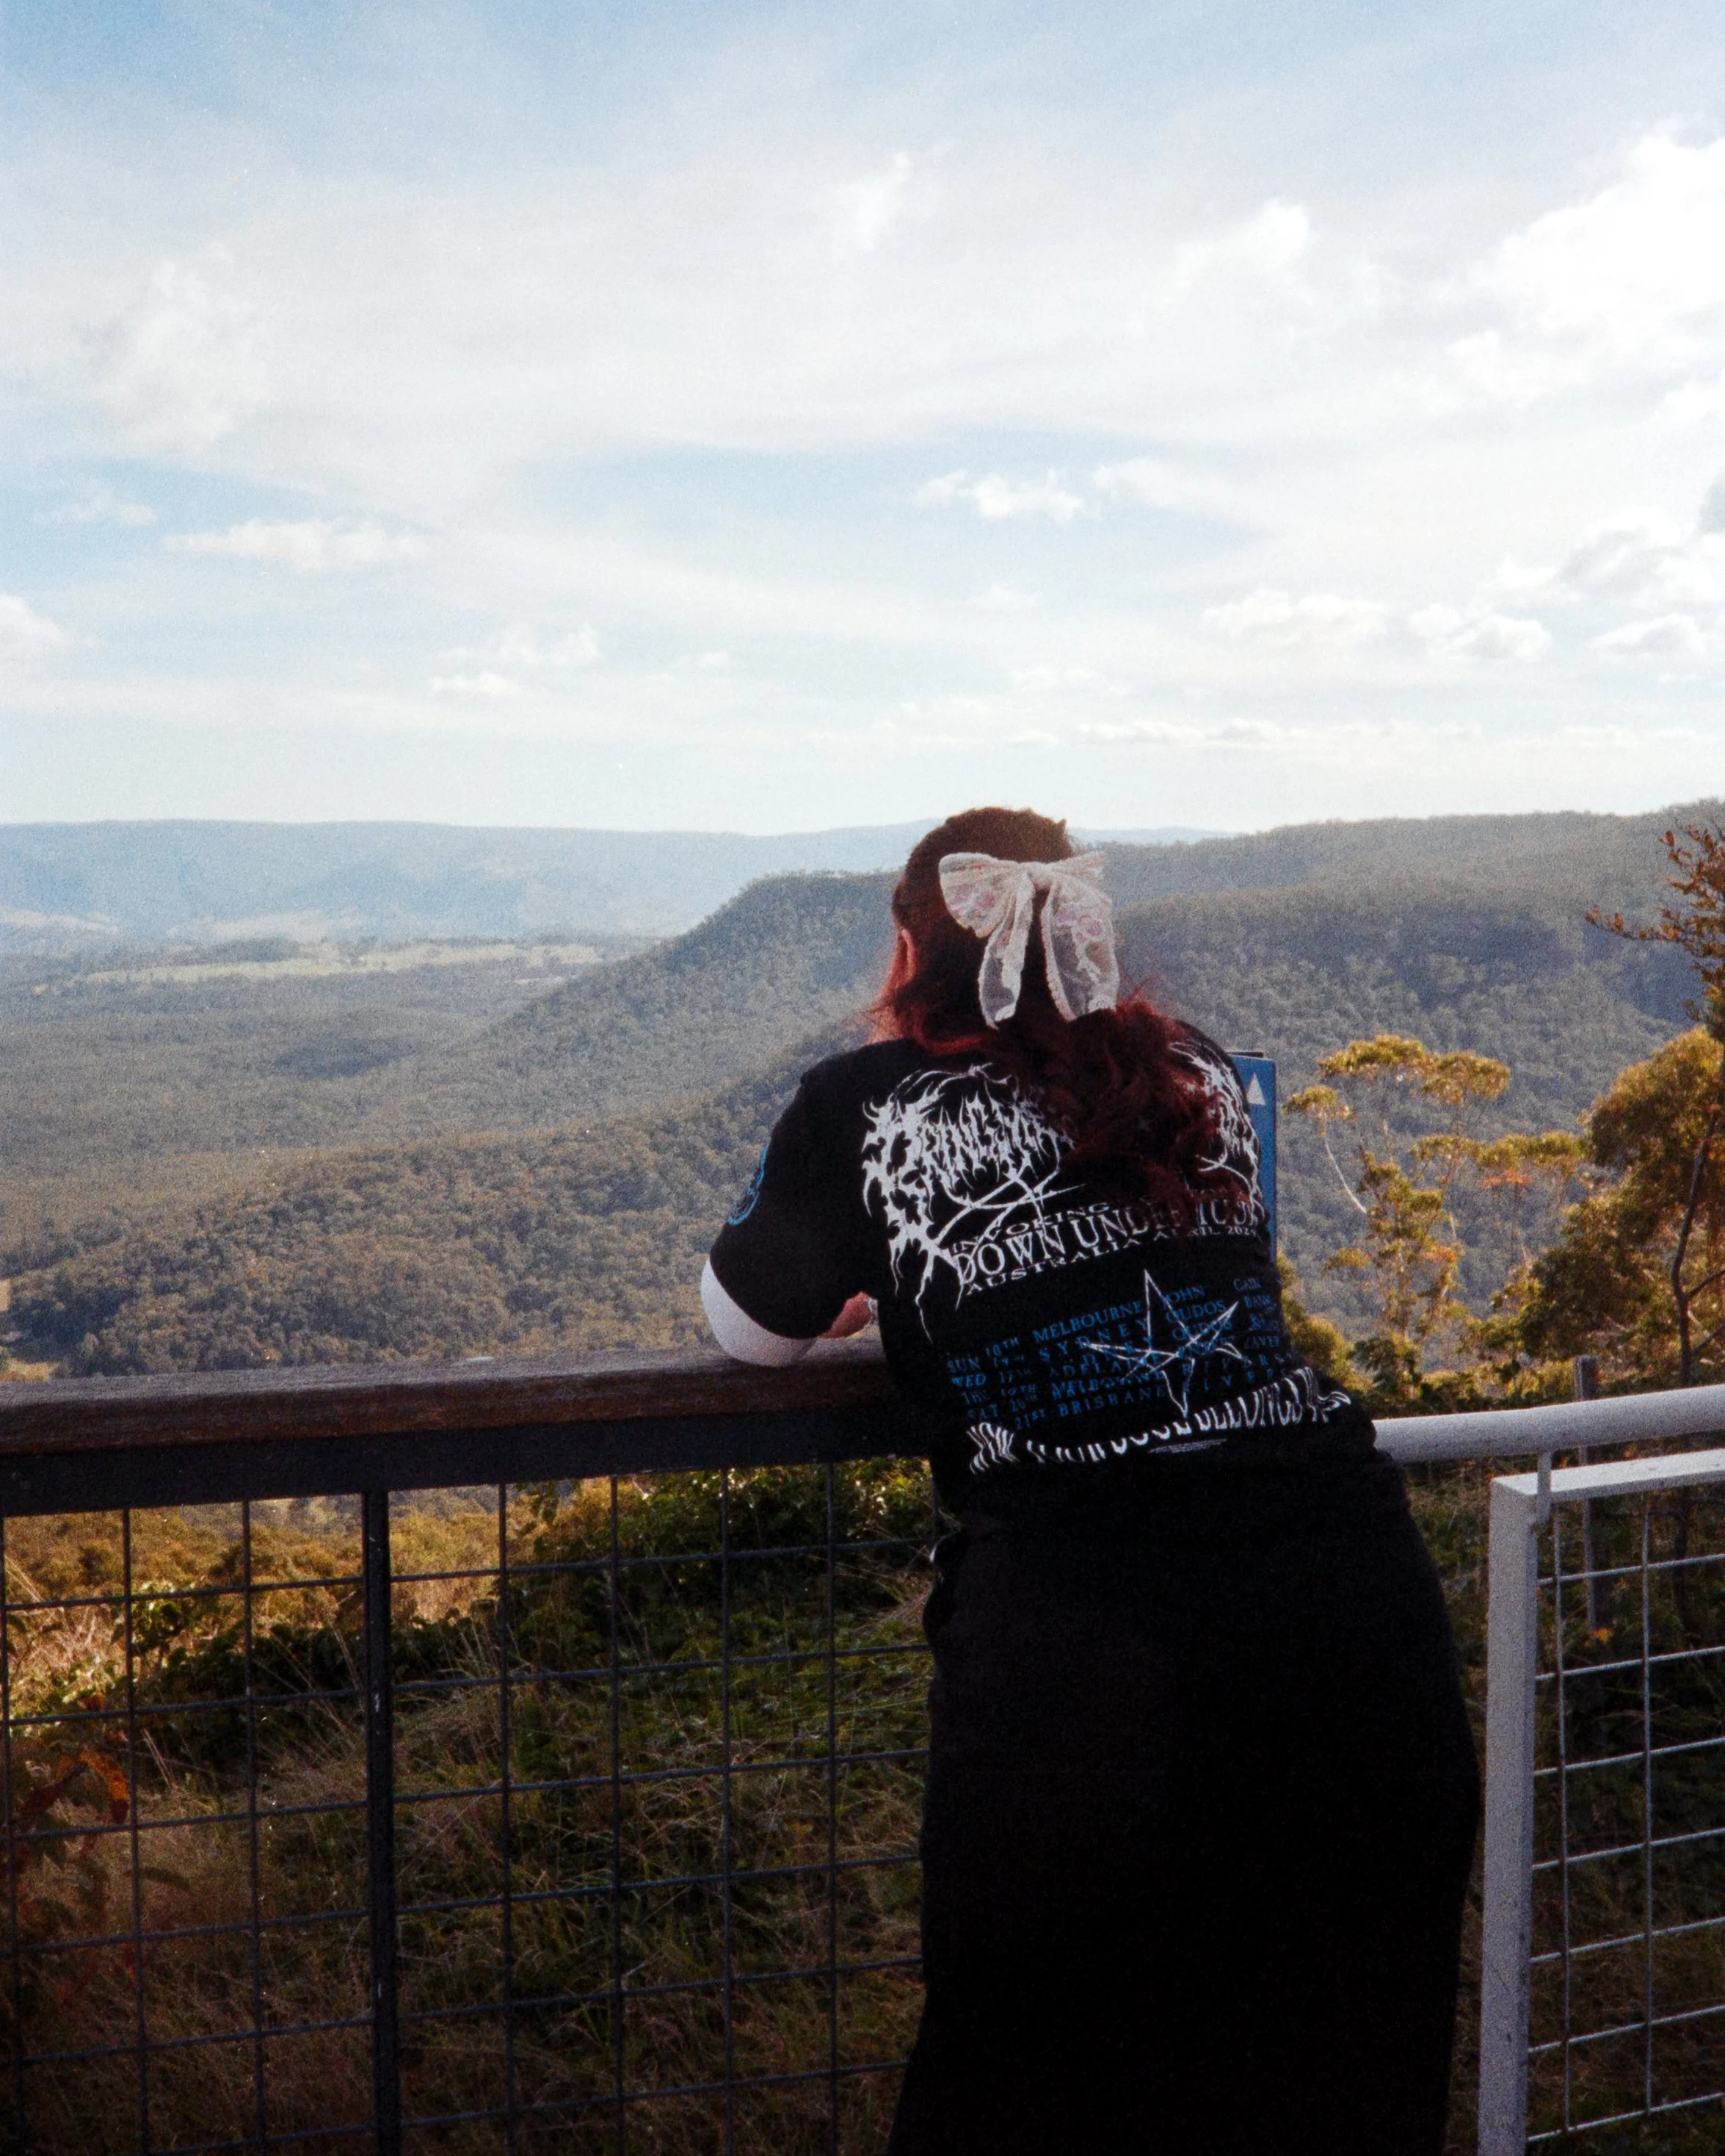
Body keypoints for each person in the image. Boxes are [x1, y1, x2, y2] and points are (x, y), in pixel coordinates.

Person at [701, 807, 1479, 2156]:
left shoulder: (858, 1105)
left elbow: (748, 1328)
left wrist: (891, 1297)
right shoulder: (1187, 1071)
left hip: (1084, 1628)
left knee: (1031, 2070)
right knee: (1337, 2050)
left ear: (906, 945)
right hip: (1346, 1594)